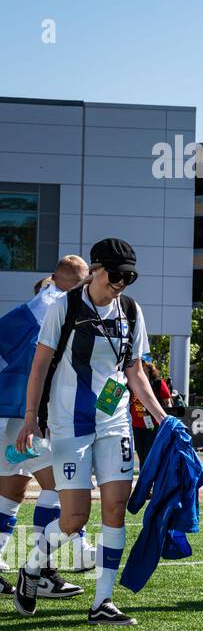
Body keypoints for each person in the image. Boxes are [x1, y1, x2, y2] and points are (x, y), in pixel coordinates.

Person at [12, 239, 169, 625]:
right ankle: (32, 568)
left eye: (129, 277)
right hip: (70, 422)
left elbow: (134, 371)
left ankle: (103, 602)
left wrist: (162, 417)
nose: (121, 284)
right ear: (96, 270)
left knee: (116, 508)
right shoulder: (64, 307)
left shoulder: (131, 311)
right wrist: (31, 416)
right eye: (115, 275)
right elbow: (39, 366)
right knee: (74, 519)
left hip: (114, 421)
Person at [0, 256, 94, 600]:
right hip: (24, 417)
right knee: (60, 485)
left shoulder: (35, 306)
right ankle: (43, 571)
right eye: (85, 283)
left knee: (10, 490)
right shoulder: (59, 309)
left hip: (7, 415)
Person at [129, 359, 172, 467]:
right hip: (135, 425)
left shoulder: (158, 383)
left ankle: (147, 480)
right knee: (141, 454)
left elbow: (167, 401)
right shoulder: (128, 381)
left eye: (141, 364)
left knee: (149, 454)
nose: (139, 367)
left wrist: (168, 421)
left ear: (148, 367)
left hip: (153, 424)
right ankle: (145, 478)